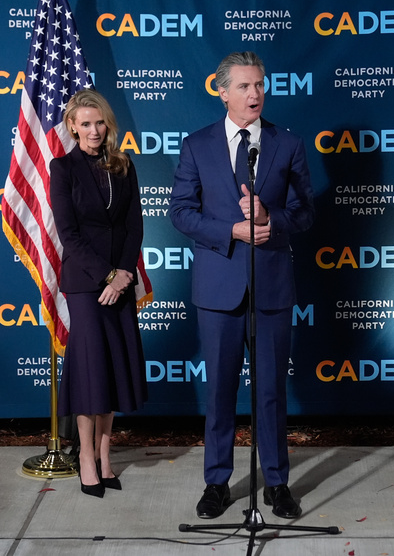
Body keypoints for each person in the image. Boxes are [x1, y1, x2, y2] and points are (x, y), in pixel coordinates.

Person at [169, 52, 314, 520]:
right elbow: (180, 212)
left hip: (271, 288)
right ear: (222, 90)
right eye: (245, 86)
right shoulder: (197, 145)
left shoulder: (286, 144)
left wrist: (272, 218)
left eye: (260, 85)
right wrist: (230, 231)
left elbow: (306, 213)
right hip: (218, 290)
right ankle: (216, 483)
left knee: (271, 391)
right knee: (220, 393)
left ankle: (276, 483)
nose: (255, 94)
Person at [49, 89, 146, 498]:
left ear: (108, 125)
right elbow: (68, 235)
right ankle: (85, 456)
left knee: (112, 369)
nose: (93, 130)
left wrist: (123, 274)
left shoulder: (124, 166)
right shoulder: (62, 168)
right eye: (85, 124)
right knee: (91, 373)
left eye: (99, 122)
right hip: (87, 284)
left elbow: (133, 226)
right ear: (72, 126)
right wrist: (106, 275)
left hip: (119, 281)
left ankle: (106, 456)